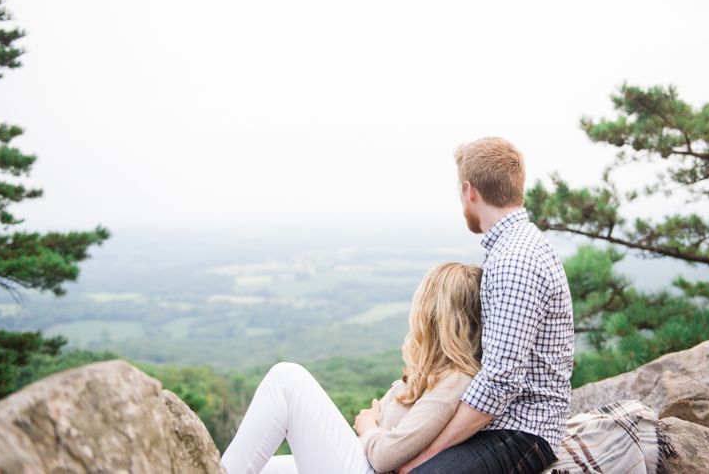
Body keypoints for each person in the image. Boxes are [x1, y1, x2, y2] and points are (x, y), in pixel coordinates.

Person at [397, 137, 575, 474]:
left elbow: (500, 381)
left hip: (521, 429)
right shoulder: (514, 248)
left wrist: (430, 452)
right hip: (504, 420)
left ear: (470, 190)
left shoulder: (515, 259)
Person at [221, 262, 484, 474]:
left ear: (435, 315)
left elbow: (384, 456)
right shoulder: (437, 371)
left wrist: (367, 425)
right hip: (361, 458)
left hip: (368, 466)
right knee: (266, 468)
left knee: (286, 380)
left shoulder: (456, 380)